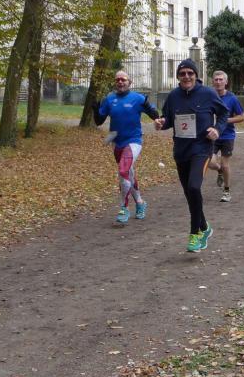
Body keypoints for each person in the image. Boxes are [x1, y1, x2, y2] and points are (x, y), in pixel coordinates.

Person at [154, 59, 228, 253]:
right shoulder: (173, 96)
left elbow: (223, 114)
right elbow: (168, 119)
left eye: (190, 73)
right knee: (189, 193)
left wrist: (217, 129)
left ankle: (195, 233)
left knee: (194, 187)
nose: (186, 76)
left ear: (196, 75)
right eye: (182, 73)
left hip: (201, 149)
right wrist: (161, 123)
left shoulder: (208, 93)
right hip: (181, 150)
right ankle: (205, 226)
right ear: (178, 77)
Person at [93, 70, 160, 224]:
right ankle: (140, 203)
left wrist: (152, 112)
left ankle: (124, 207)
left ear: (130, 82)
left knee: (123, 171)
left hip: (134, 141)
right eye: (117, 80)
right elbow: (98, 121)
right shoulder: (109, 99)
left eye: (123, 79)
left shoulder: (138, 98)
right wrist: (95, 110)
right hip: (117, 142)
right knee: (128, 174)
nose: (120, 82)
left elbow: (155, 115)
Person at [206, 70, 244, 203]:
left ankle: (227, 191)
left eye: (221, 79)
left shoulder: (232, 98)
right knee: (209, 162)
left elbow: (242, 117)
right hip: (212, 135)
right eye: (216, 79)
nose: (218, 82)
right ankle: (219, 171)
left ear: (226, 82)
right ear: (213, 81)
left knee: (225, 164)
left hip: (227, 136)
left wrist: (225, 120)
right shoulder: (208, 96)